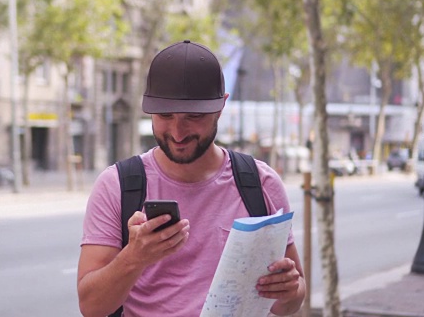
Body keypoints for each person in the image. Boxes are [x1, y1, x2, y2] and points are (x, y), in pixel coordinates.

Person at [77, 40, 305, 316]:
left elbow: (290, 303)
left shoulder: (259, 182)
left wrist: (289, 289)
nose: (178, 132)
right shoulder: (117, 185)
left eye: (193, 116)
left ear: (221, 107)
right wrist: (134, 258)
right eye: (165, 116)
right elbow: (91, 307)